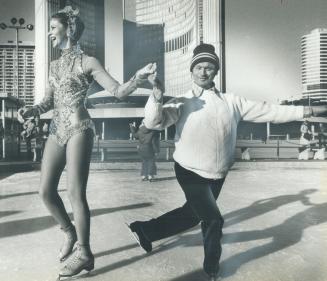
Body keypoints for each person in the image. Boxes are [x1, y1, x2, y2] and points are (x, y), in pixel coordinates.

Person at [127, 43, 327, 281]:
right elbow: (153, 122)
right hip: (189, 170)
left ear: (216, 71)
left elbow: (270, 111)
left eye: (209, 67)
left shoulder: (232, 101)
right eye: (199, 67)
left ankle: (145, 230)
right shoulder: (182, 101)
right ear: (191, 71)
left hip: (217, 174)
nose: (203, 72)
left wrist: (309, 110)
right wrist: (157, 97)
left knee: (191, 214)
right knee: (213, 219)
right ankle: (212, 268)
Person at [18, 6, 156, 279]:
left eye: (53, 28)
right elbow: (49, 101)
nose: (49, 33)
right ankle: (69, 232)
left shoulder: (88, 62)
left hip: (80, 129)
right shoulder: (54, 65)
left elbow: (117, 91)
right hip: (56, 130)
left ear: (68, 30)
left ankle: (84, 252)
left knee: (74, 193)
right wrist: (33, 110)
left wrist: (138, 78)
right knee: (45, 192)